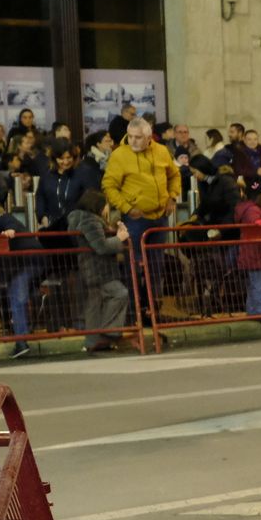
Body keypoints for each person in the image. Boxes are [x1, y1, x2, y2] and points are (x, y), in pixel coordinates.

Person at [102, 117, 181, 305]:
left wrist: (172, 197)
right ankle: (133, 308)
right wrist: (127, 208)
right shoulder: (120, 155)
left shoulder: (161, 151)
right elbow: (108, 186)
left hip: (160, 216)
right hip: (135, 219)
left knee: (156, 266)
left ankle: (152, 308)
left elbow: (174, 175)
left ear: (149, 138)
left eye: (138, 137)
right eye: (130, 137)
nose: (133, 141)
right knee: (133, 266)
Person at [68, 189, 131, 353]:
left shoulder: (80, 219)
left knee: (95, 303)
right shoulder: (90, 221)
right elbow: (101, 246)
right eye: (106, 206)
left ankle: (92, 341)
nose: (107, 209)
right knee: (120, 293)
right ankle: (108, 333)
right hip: (99, 268)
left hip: (89, 267)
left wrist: (116, 234)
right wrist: (120, 238)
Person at [0, 202, 43, 359]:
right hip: (36, 260)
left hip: (24, 262)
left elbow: (7, 220)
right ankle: (22, 335)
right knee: (20, 296)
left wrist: (10, 229)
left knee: (17, 299)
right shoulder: (15, 224)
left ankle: (21, 341)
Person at [233, 179, 261, 316]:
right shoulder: (253, 210)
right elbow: (257, 224)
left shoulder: (248, 208)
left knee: (254, 285)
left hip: (251, 254)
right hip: (257, 255)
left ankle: (253, 311)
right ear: (260, 195)